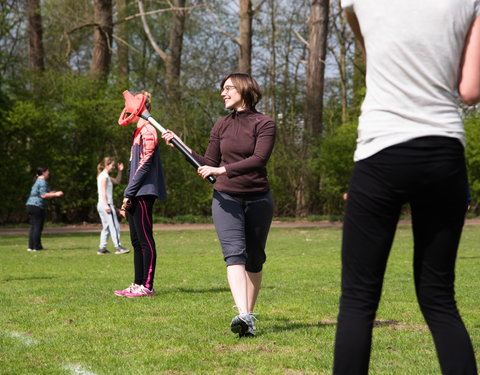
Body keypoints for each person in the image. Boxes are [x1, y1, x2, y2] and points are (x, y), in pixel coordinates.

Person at [334, 1, 480, 374]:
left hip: (382, 149)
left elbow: (368, 49)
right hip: (443, 149)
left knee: (358, 301)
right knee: (439, 299)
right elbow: (469, 90)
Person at [162, 73, 276, 337]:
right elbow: (207, 163)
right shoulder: (221, 125)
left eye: (228, 88)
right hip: (226, 199)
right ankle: (244, 315)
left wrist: (222, 169)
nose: (223, 93)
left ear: (245, 90)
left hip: (258, 198)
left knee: (255, 260)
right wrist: (180, 145)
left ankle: (248, 315)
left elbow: (259, 159)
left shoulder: (265, 123)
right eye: (222, 89)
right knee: (234, 254)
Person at [114, 91, 167, 298]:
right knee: (136, 241)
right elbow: (131, 168)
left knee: (145, 240)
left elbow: (144, 165)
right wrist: (127, 196)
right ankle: (137, 283)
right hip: (135, 192)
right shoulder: (137, 133)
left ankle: (147, 286)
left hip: (144, 192)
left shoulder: (149, 130)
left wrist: (130, 192)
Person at [25, 166, 64, 251]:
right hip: (36, 206)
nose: (49, 173)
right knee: (38, 227)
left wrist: (52, 193)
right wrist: (56, 194)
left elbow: (42, 193)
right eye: (48, 171)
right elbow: (43, 195)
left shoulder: (37, 181)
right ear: (44, 172)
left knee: (34, 226)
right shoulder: (42, 181)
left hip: (30, 205)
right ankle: (37, 247)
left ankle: (31, 247)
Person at [96, 157, 129, 255]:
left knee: (106, 227)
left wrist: (120, 171)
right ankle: (118, 247)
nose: (113, 167)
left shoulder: (104, 176)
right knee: (114, 226)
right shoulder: (104, 177)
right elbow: (103, 192)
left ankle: (102, 249)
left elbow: (117, 181)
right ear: (106, 165)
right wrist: (107, 205)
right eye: (112, 165)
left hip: (102, 204)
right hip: (105, 204)